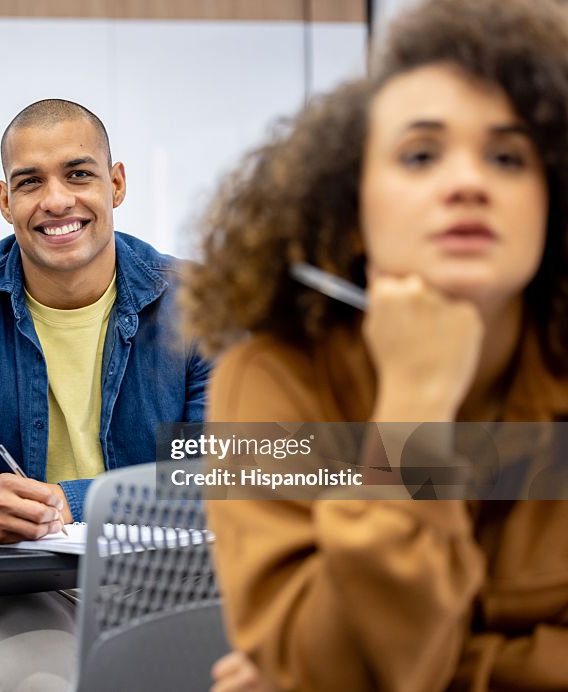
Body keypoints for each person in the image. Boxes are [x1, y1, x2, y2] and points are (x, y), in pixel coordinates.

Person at [180, 0, 568, 690]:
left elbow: (331, 677)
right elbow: (339, 665)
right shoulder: (271, 378)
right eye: (421, 155)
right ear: (353, 208)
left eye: (507, 156)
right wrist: (414, 406)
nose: (468, 183)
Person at [0, 99, 211, 692]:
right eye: (30, 182)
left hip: (172, 581)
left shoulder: (200, 302)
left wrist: (68, 501)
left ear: (117, 183)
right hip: (7, 593)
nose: (56, 201)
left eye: (78, 174)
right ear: (6, 201)